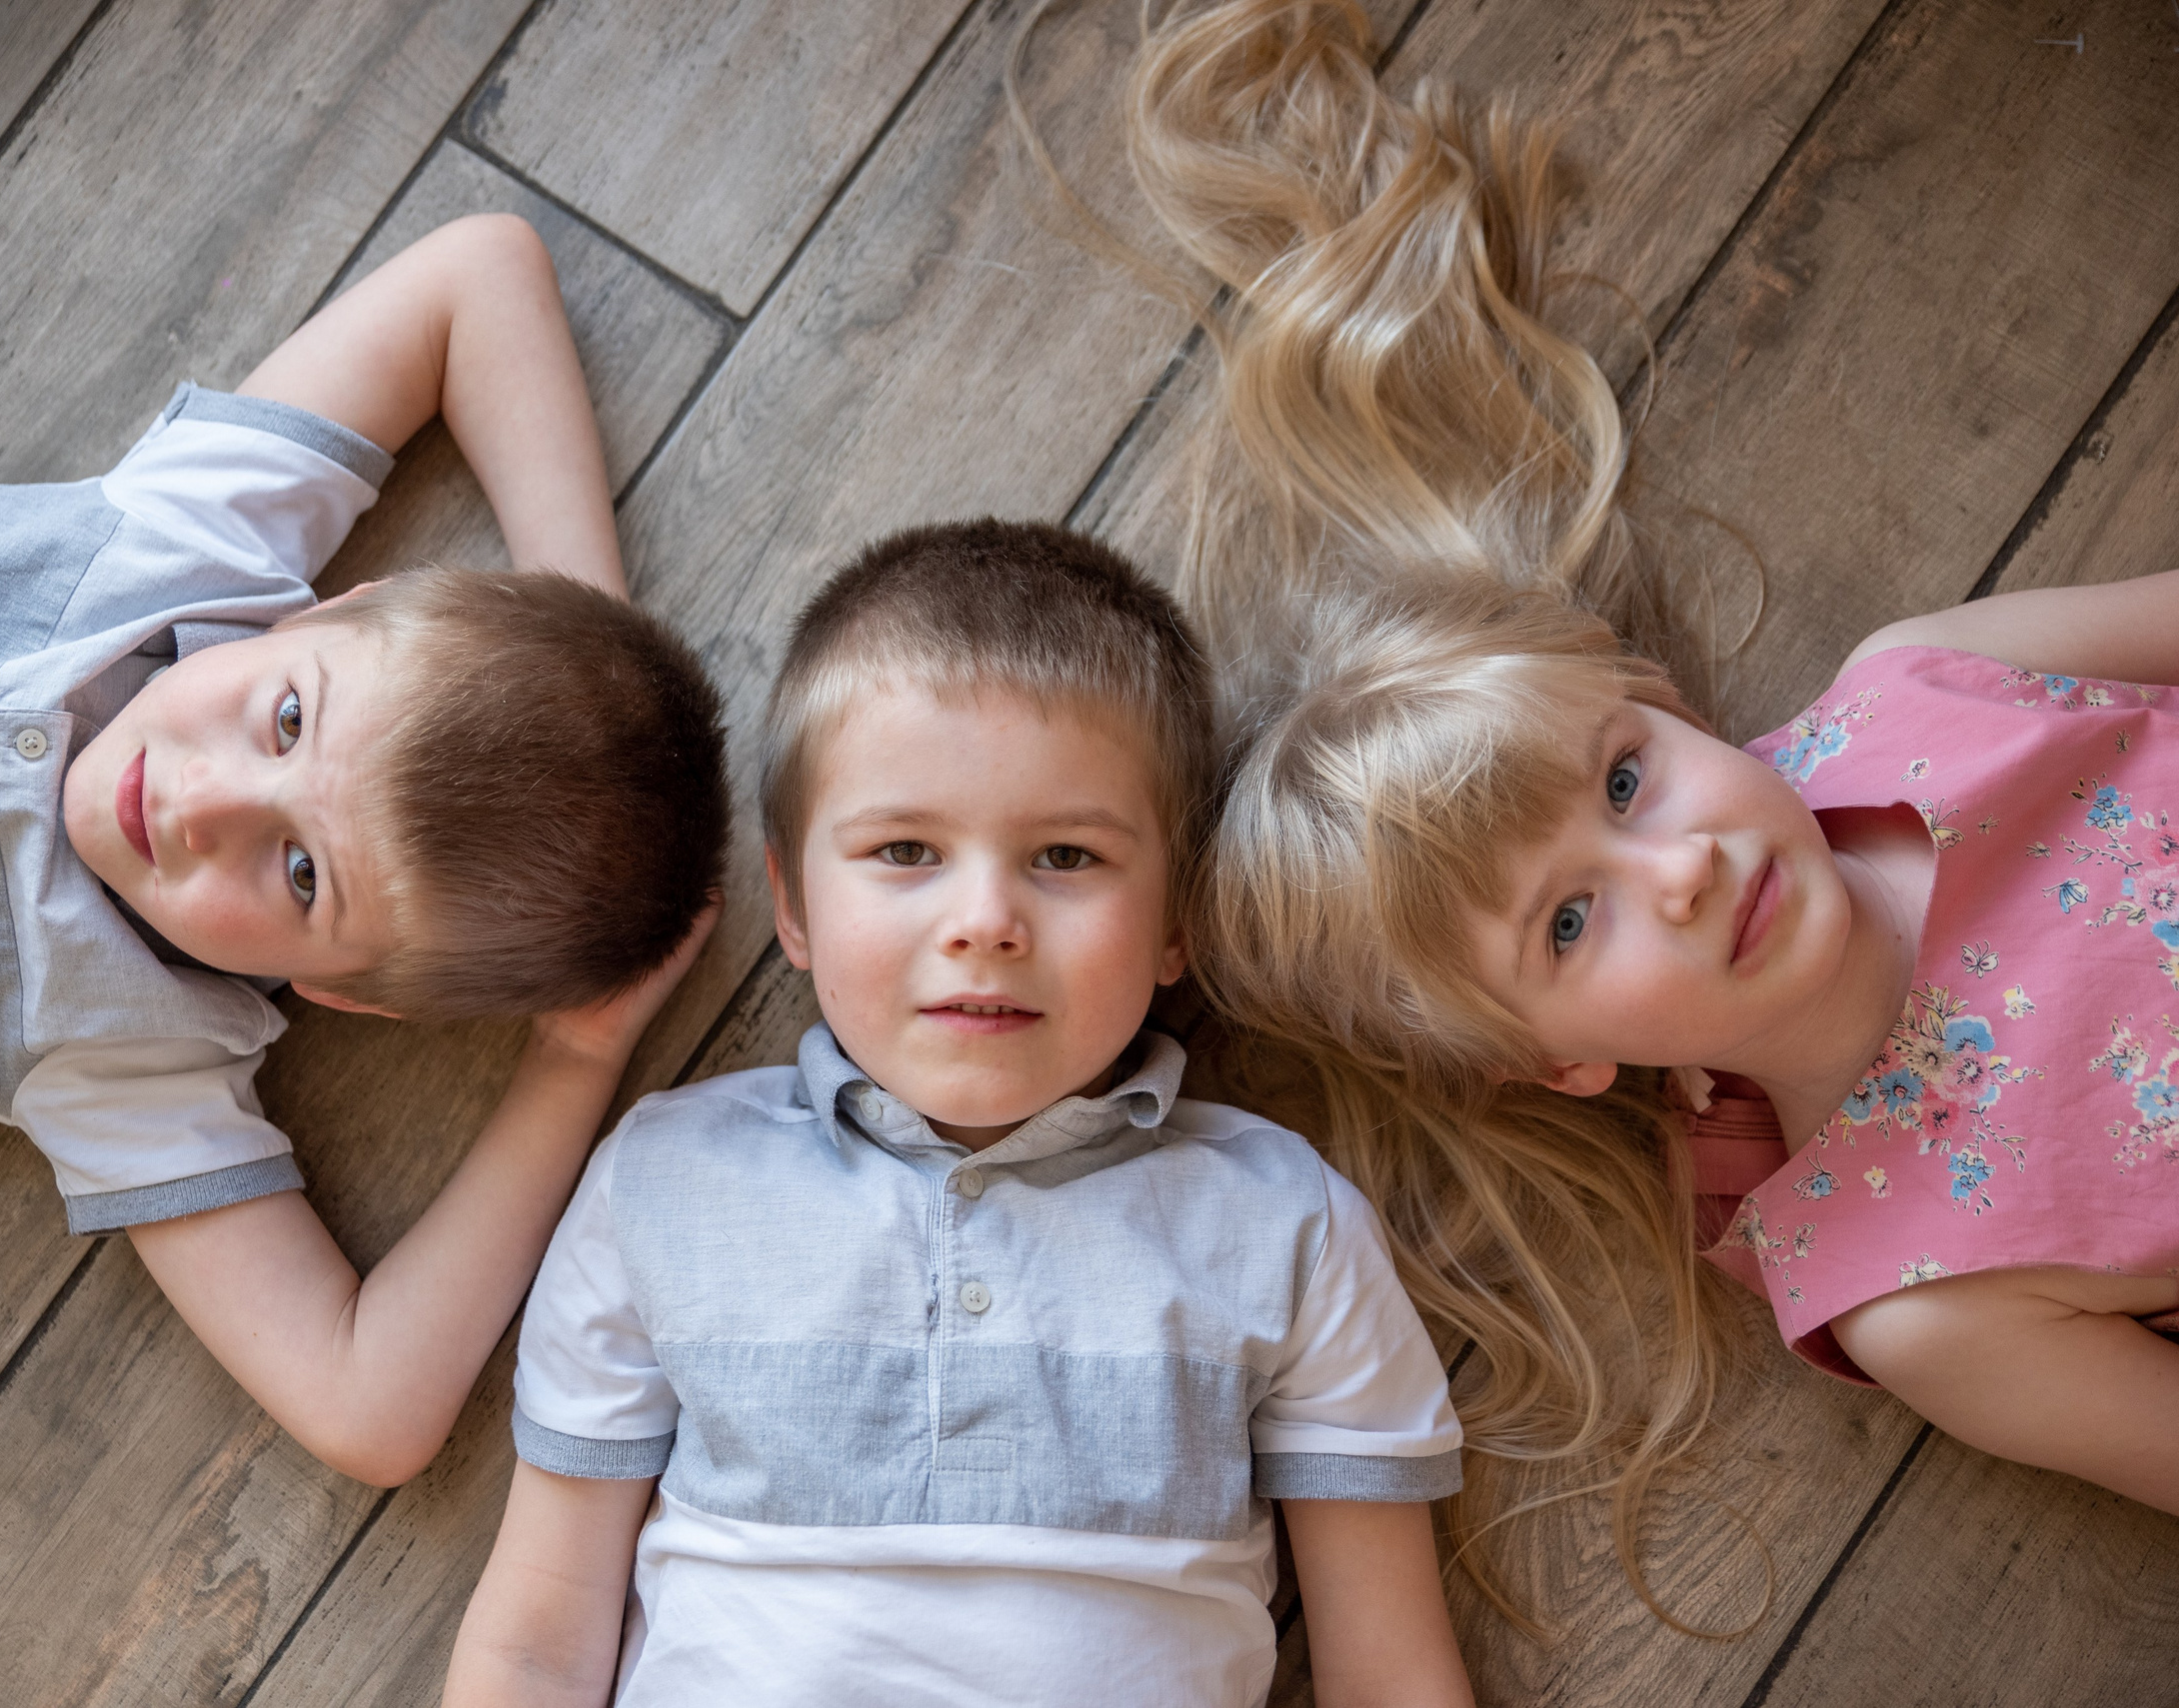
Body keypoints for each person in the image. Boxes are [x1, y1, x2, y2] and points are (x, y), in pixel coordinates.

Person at [1092, 0, 2179, 1608]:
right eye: (1572, 918)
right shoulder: (1918, 1292)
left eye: (1621, 779)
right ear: (1562, 1059)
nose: (1673, 869)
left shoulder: (1933, 689)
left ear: (1661, 706)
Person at [0, 214, 728, 1488]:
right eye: (289, 717)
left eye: (302, 874)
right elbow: (478, 275)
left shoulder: (133, 1059)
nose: (202, 798)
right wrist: (584, 644)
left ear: (343, 992)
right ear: (350, 605)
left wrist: (575, 1055)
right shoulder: (197, 544)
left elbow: (370, 1407)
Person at [440, 523, 1474, 1708]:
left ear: (1178, 913)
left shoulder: (1284, 1226)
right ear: (793, 905)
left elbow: (1389, 1672)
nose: (985, 916)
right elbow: (532, 1641)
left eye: (1067, 854)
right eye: (904, 848)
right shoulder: (663, 1183)